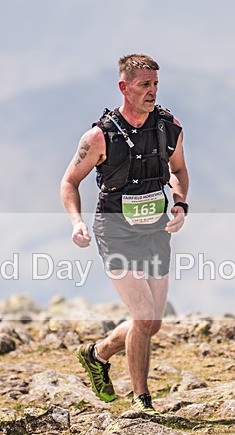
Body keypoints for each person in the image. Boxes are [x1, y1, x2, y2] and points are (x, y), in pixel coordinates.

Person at [60, 54, 190, 414]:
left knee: (152, 324)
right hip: (115, 232)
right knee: (143, 316)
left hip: (155, 231)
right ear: (124, 87)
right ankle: (141, 401)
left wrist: (180, 205)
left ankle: (97, 353)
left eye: (156, 85)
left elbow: (178, 171)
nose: (152, 92)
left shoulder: (168, 127)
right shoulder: (100, 136)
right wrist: (76, 221)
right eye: (144, 85)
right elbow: (70, 181)